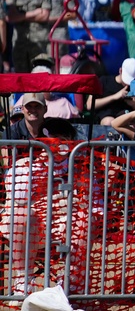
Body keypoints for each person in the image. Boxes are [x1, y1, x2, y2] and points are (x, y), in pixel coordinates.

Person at [0, 117, 78, 296]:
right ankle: (23, 280)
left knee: (84, 219)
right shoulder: (25, 165)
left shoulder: (81, 167)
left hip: (63, 225)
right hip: (30, 229)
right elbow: (19, 200)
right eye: (54, 138)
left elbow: (91, 204)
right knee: (21, 215)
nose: (59, 144)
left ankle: (71, 284)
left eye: (64, 139)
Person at [6, 0, 52, 73]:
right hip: (20, 41)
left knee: (39, 78)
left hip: (39, 41)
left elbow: (45, 16)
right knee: (20, 78)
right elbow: (11, 17)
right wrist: (35, 12)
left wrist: (21, 16)